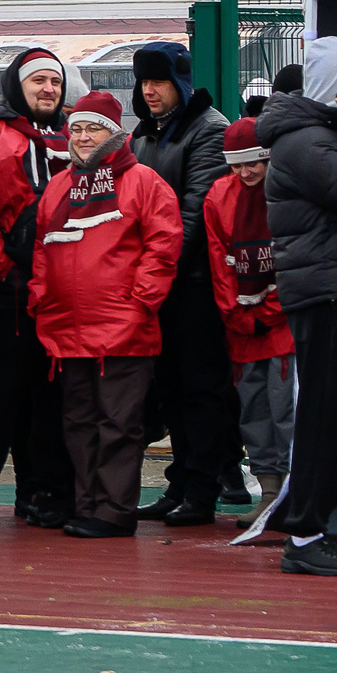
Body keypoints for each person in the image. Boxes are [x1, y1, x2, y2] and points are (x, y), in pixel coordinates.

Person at [255, 39, 337, 576]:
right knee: (325, 420)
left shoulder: (316, 137)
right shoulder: (304, 141)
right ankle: (305, 535)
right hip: (327, 293)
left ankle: (315, 529)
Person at [29, 90, 181, 538]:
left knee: (117, 422)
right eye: (75, 128)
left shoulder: (144, 182)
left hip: (123, 325)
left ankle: (113, 511)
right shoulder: (60, 186)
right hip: (66, 327)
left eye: (91, 128)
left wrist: (141, 302)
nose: (80, 137)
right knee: (79, 422)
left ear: (114, 134)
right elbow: (41, 247)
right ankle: (89, 505)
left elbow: (164, 245)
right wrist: (40, 297)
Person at [0, 46, 75, 530]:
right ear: (16, 87)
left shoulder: (73, 136)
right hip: (6, 289)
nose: (49, 89)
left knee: (48, 400)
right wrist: (3, 267)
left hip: (58, 293)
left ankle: (37, 491)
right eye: (38, 81)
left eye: (55, 82)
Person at [127, 41, 234, 528]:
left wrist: (156, 270)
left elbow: (195, 213)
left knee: (201, 388)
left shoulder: (208, 131)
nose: (149, 91)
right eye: (145, 81)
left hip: (193, 284)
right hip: (160, 282)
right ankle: (180, 482)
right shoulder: (147, 134)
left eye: (159, 81)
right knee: (171, 389)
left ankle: (203, 487)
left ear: (180, 83)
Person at [206, 117, 294, 523]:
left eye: (253, 163)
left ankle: (295, 490)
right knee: (254, 411)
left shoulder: (287, 189)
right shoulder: (219, 196)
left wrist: (269, 311)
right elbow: (218, 261)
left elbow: (293, 258)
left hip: (280, 327)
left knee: (285, 409)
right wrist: (238, 314)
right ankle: (270, 491)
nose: (245, 172)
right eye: (237, 165)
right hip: (242, 326)